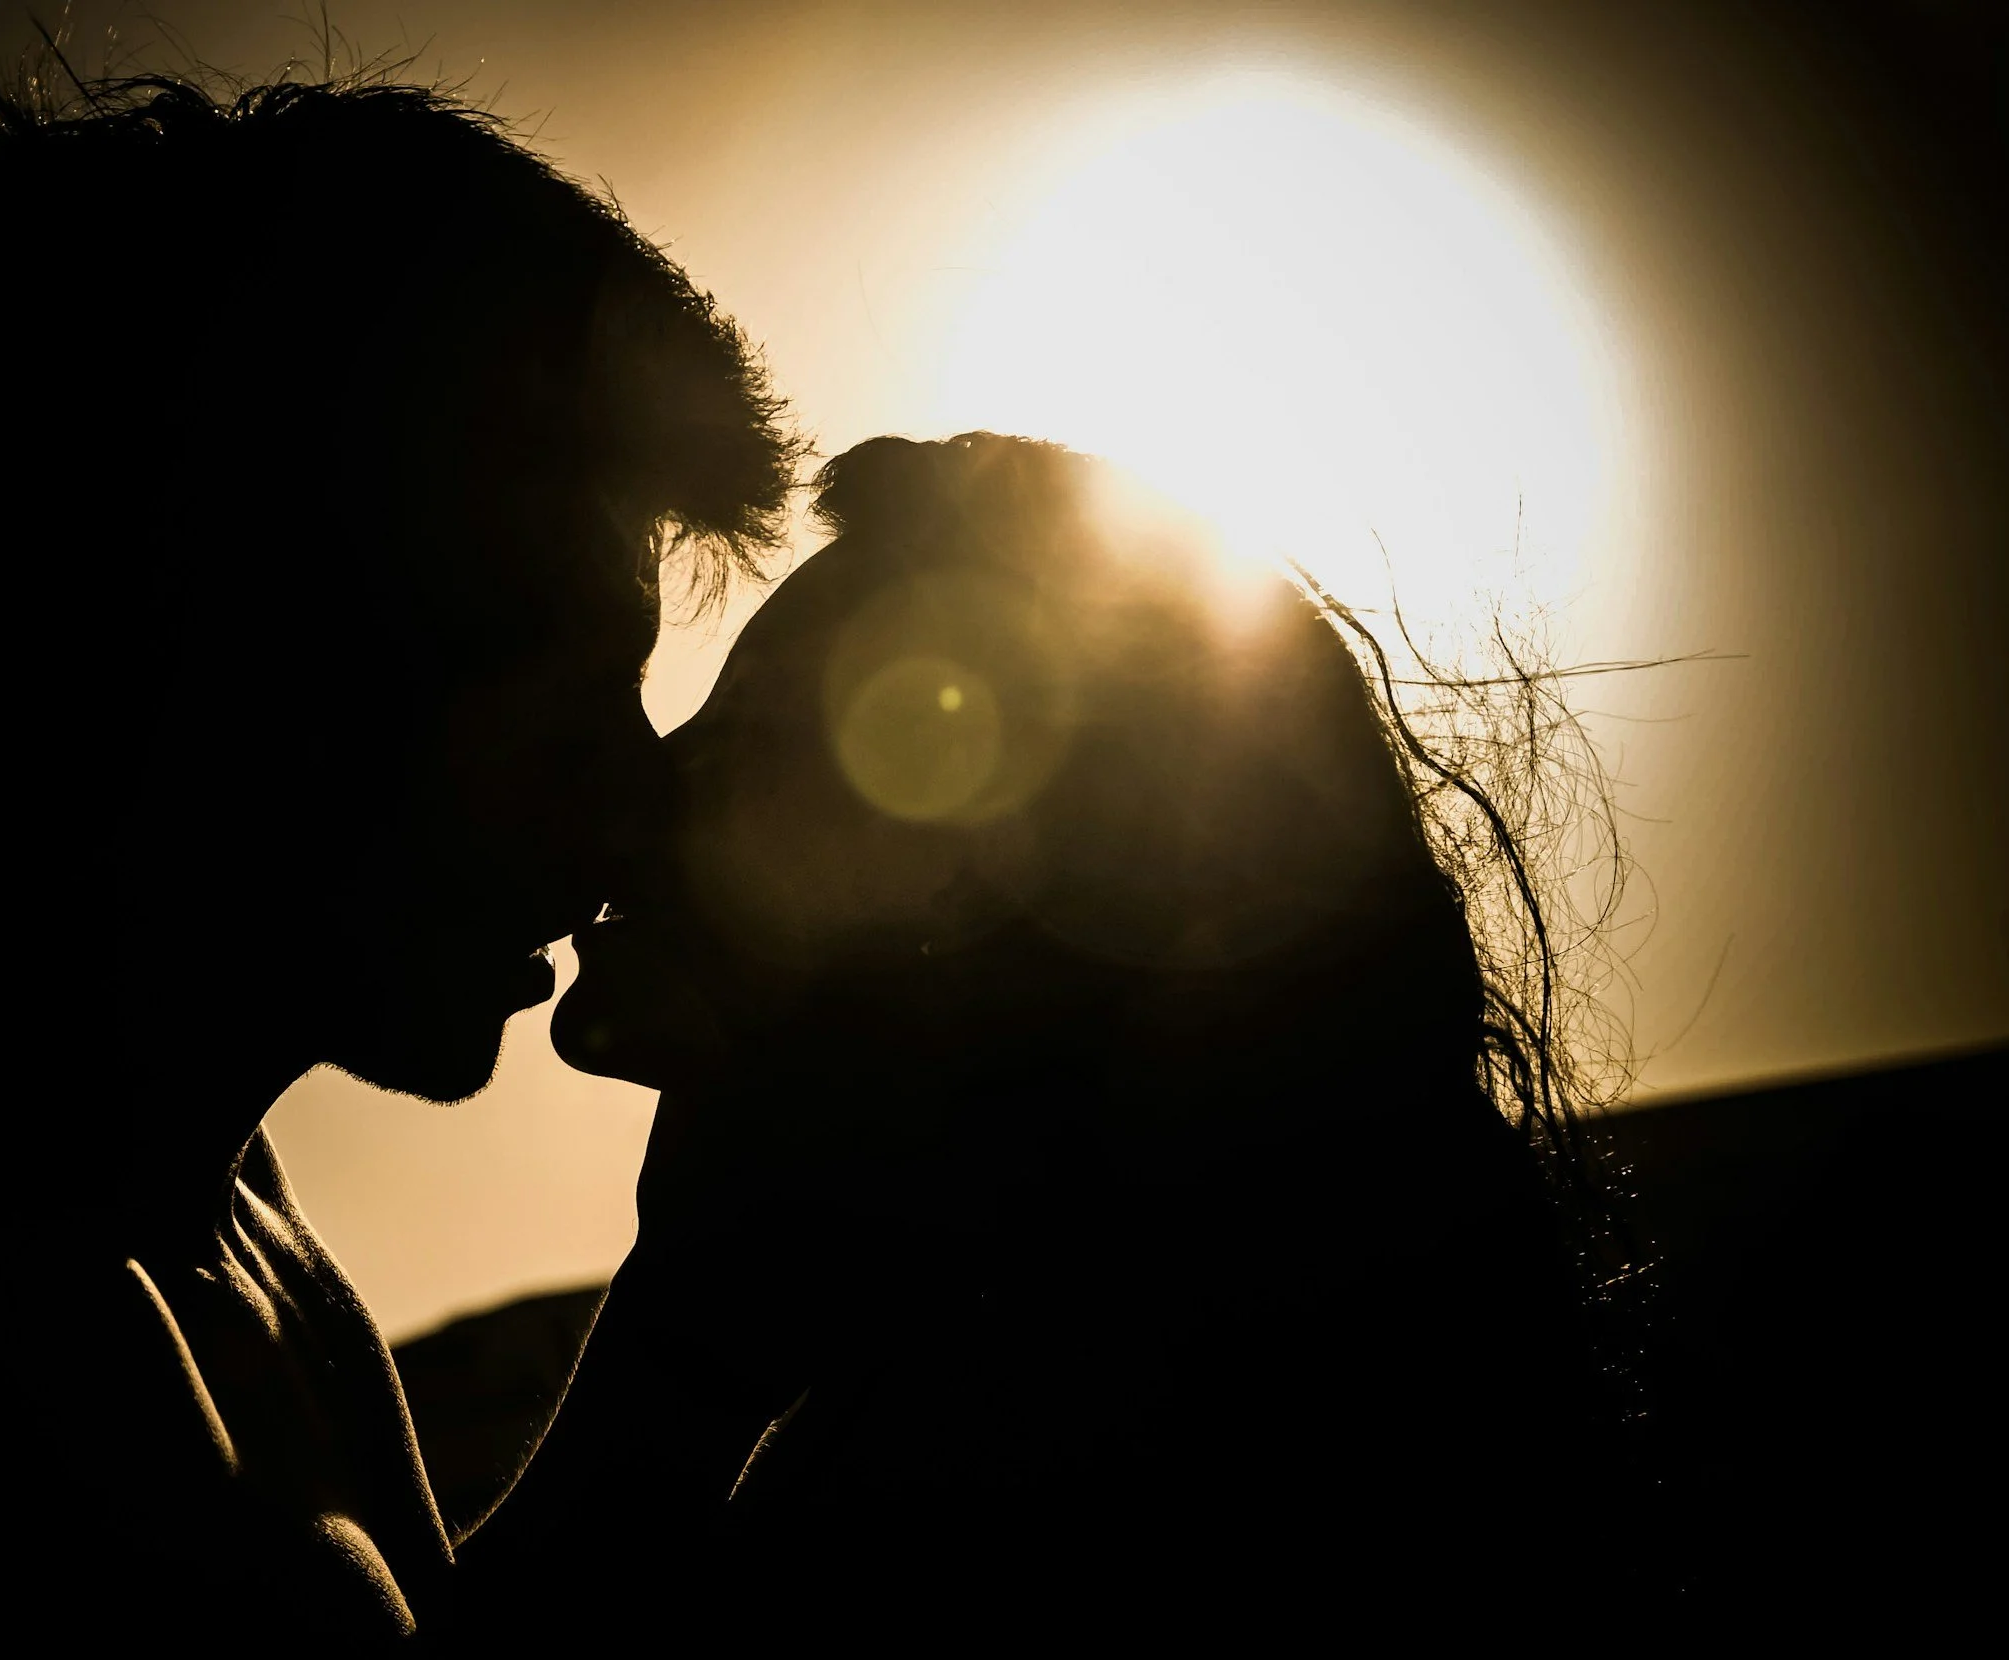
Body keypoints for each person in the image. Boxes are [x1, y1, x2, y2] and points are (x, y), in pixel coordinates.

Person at [0, 71, 797, 1641]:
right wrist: (703, 1358)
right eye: (568, 723)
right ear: (276, 691)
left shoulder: (202, 1197)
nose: (635, 810)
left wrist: (698, 1320)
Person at [518, 433, 1640, 1642]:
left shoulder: (1035, 1478)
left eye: (758, 746)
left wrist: (671, 1375)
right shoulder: (1022, 1354)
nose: (646, 796)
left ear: (997, 899)